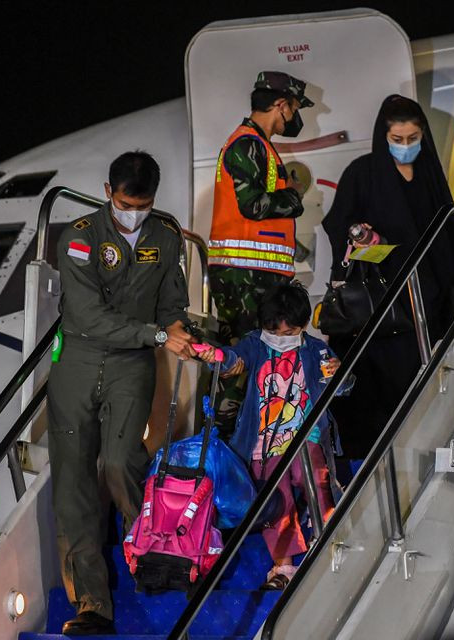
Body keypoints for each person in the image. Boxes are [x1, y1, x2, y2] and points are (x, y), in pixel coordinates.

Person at [47, 151, 196, 636]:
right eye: (127, 202)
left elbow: (171, 301)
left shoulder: (166, 236)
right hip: (79, 361)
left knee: (119, 462)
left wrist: (179, 330)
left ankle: (153, 559)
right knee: (73, 484)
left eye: (144, 203)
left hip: (130, 368)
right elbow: (88, 317)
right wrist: (157, 337)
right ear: (108, 191)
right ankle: (92, 605)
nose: (135, 212)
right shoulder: (80, 238)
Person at [322, 94, 454, 459]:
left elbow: (449, 236)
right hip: (379, 311)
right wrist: (367, 240)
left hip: (428, 308)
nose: (406, 147)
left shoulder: (430, 176)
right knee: (373, 402)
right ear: (382, 137)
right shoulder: (363, 173)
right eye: (397, 140)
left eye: (413, 139)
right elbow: (339, 227)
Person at [197, 283, 348, 589]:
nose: (280, 338)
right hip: (263, 444)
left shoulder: (316, 349)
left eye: (288, 332)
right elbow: (232, 358)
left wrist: (340, 373)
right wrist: (216, 357)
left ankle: (330, 541)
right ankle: (283, 567)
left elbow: (343, 388)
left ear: (303, 326)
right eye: (274, 332)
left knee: (317, 484)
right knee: (276, 503)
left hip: (307, 434)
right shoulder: (255, 344)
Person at [208, 70, 314, 437]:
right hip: (243, 277)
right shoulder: (246, 144)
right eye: (295, 108)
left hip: (255, 274)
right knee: (241, 366)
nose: (295, 118)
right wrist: (294, 196)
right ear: (281, 104)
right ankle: (223, 449)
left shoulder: (260, 147)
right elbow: (253, 206)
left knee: (255, 367)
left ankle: (242, 446)